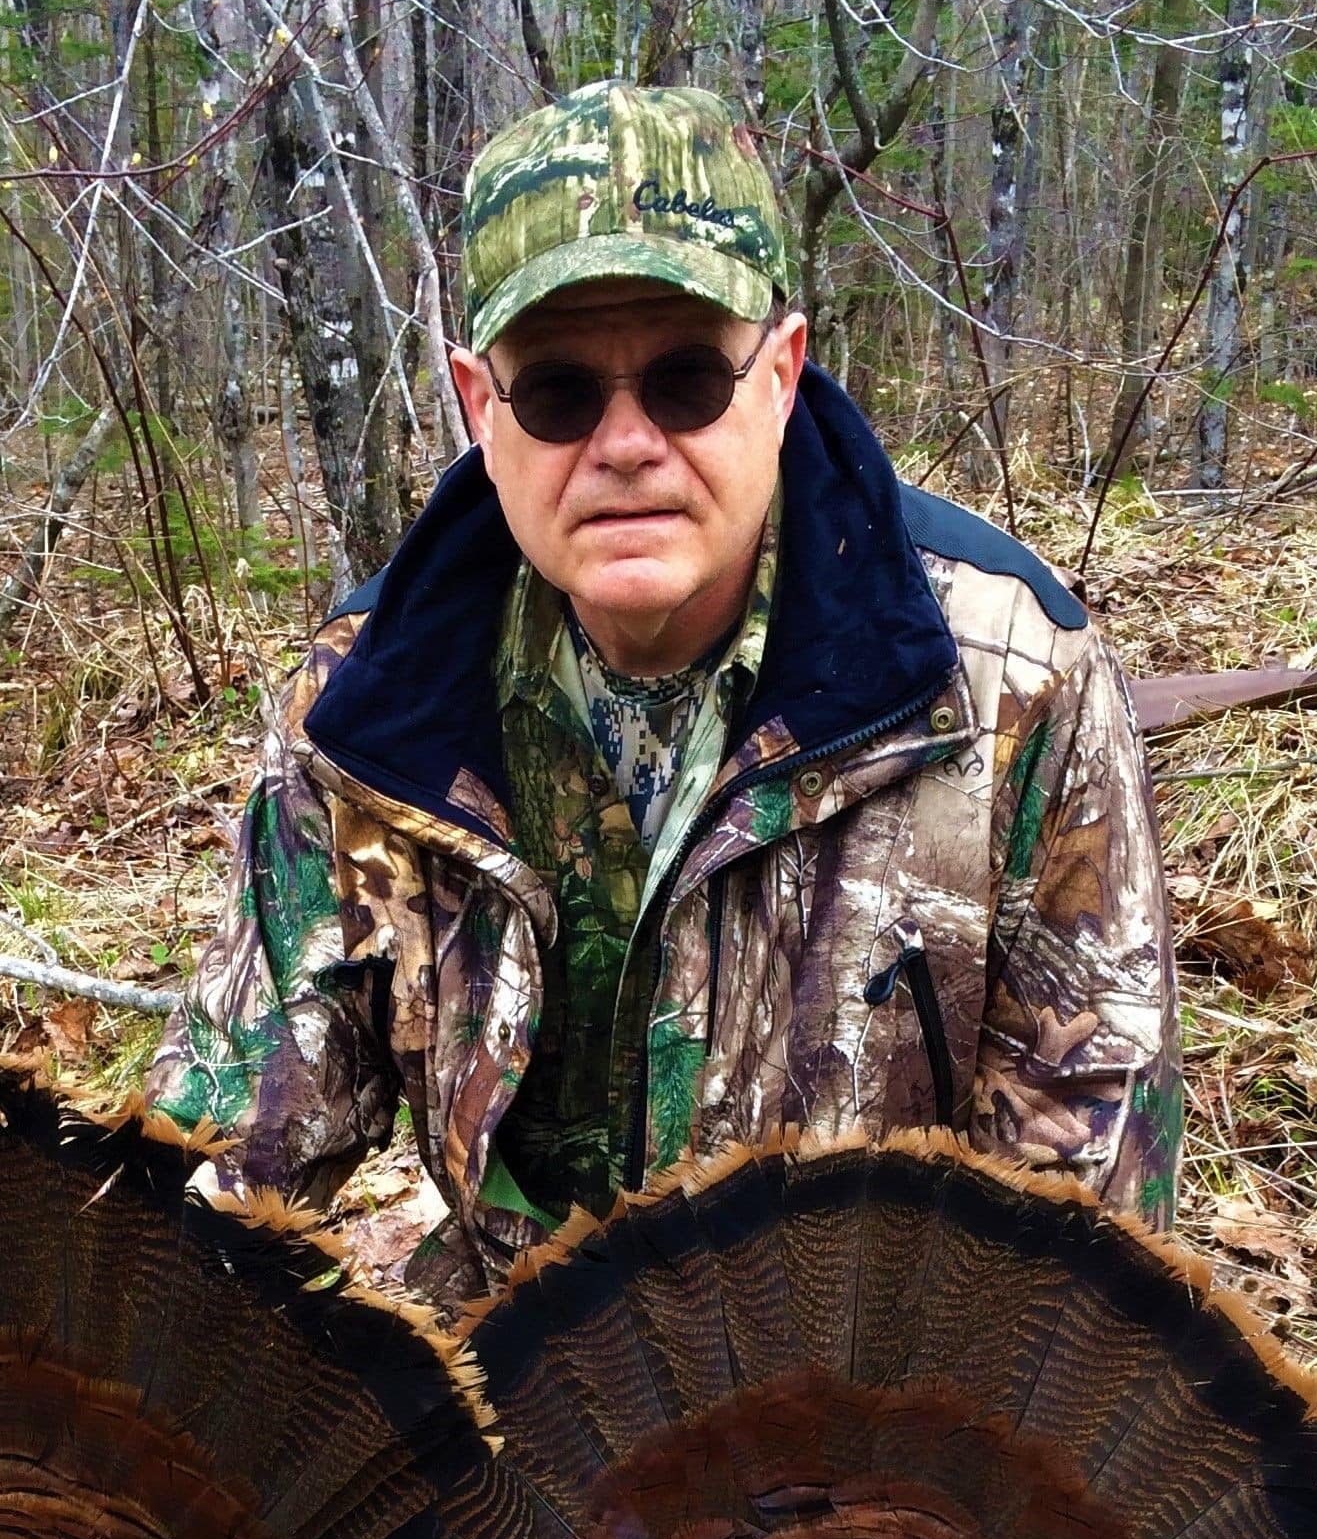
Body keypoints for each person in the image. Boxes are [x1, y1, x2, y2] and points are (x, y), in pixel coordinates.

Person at [151, 81, 1178, 1298]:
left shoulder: (1007, 681)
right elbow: (232, 1159)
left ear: (782, 376)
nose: (627, 443)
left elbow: (1088, 1226)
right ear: (481, 406)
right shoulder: (366, 714)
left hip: (875, 1398)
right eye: (561, 393)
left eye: (689, 379)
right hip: (511, 1371)